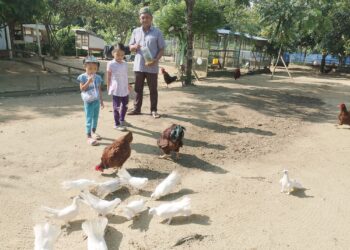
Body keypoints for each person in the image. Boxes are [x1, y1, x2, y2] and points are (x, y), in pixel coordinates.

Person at [128, 6, 165, 118]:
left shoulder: (157, 32)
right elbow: (130, 47)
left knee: (153, 89)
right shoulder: (135, 31)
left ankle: (153, 110)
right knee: (138, 89)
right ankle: (136, 109)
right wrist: (134, 46)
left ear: (151, 18)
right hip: (139, 66)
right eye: (143, 17)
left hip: (152, 66)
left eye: (147, 17)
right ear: (140, 19)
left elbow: (162, 49)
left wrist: (155, 59)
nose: (145, 19)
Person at [77, 56, 104, 146]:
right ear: (85, 67)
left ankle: (93, 132)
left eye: (95, 69)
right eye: (90, 68)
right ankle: (88, 136)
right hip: (88, 102)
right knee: (89, 118)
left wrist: (101, 101)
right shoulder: (83, 77)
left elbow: (99, 89)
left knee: (95, 117)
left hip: (96, 100)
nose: (92, 71)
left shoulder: (98, 77)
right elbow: (82, 89)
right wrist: (88, 81)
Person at [106, 43, 131, 131]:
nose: (120, 57)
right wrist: (108, 86)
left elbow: (125, 75)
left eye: (122, 55)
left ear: (124, 54)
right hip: (116, 89)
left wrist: (128, 85)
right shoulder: (110, 64)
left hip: (124, 88)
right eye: (117, 55)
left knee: (125, 105)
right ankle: (116, 124)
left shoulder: (125, 64)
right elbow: (108, 76)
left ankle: (122, 119)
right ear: (113, 53)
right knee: (116, 107)